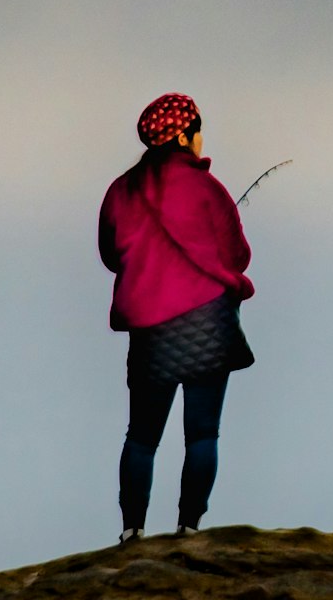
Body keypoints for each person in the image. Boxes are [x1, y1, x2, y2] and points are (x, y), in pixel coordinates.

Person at [99, 90, 256, 540]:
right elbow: (238, 255)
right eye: (199, 131)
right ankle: (190, 527)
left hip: (151, 332)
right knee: (203, 435)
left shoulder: (120, 191)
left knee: (142, 436)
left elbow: (111, 255)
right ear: (186, 135)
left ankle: (132, 530)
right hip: (208, 323)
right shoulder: (208, 189)